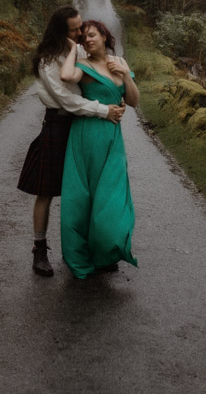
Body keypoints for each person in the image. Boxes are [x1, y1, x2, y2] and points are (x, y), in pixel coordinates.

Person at [17, 6, 126, 277]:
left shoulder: (78, 51)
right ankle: (39, 250)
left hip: (81, 125)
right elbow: (66, 98)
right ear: (60, 31)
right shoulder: (47, 59)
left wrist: (114, 96)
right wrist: (103, 110)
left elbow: (93, 78)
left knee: (86, 190)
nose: (80, 32)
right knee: (46, 191)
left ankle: (91, 249)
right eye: (75, 29)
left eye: (81, 28)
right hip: (58, 124)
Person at [59, 18, 139, 279]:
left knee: (110, 197)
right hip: (85, 136)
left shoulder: (120, 65)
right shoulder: (83, 66)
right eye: (84, 38)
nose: (88, 40)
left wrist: (125, 74)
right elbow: (65, 76)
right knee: (82, 198)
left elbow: (134, 101)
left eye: (93, 35)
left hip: (112, 140)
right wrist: (73, 49)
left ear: (105, 36)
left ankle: (105, 251)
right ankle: (81, 253)